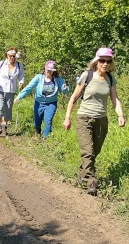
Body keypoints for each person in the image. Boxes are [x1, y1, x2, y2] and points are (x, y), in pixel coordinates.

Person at [63, 48, 125, 195]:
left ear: (111, 63)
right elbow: (73, 98)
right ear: (96, 61)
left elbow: (114, 99)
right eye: (102, 60)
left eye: (108, 61)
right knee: (88, 151)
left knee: (94, 151)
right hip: (84, 118)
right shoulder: (87, 75)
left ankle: (81, 174)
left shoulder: (110, 79)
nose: (105, 63)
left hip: (101, 120)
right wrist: (67, 118)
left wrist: (120, 115)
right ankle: (92, 181)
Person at [14, 60, 69, 140]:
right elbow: (29, 87)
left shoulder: (57, 79)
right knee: (37, 121)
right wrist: (19, 96)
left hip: (51, 104)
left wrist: (65, 88)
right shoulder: (39, 77)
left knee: (48, 121)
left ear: (54, 71)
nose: (49, 72)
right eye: (48, 70)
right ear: (45, 69)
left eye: (51, 71)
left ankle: (45, 139)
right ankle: (37, 131)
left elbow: (65, 91)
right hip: (38, 103)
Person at [0, 47, 25, 137]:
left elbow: (21, 76)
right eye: (10, 56)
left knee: (8, 108)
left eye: (13, 56)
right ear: (7, 55)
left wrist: (21, 83)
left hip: (11, 90)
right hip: (0, 88)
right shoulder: (2, 63)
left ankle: (4, 126)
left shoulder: (18, 65)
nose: (12, 58)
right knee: (0, 106)